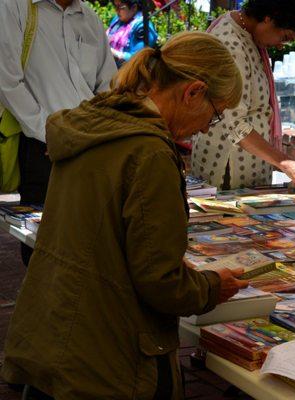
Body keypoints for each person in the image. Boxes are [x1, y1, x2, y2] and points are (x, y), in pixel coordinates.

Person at [1, 31, 248, 399]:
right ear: (193, 91)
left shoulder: (94, 125)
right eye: (214, 115)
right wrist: (213, 286)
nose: (203, 129)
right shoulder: (148, 153)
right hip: (106, 365)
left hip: (54, 341)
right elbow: (161, 282)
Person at [0, 0, 117, 265]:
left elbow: (107, 85)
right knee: (43, 240)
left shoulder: (88, 17)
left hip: (90, 143)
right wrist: (52, 133)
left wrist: (98, 130)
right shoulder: (14, 7)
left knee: (91, 231)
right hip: (43, 145)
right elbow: (7, 82)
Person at [191, 0, 295, 190]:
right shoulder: (231, 44)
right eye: (284, 37)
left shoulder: (247, 34)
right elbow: (234, 124)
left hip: (249, 164)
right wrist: (284, 162)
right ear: (269, 18)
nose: (281, 45)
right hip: (227, 167)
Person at [107, 0, 158, 67]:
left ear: (134, 7)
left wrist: (113, 53)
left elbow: (138, 58)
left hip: (129, 73)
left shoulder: (142, 27)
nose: (117, 10)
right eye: (115, 6)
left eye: (121, 7)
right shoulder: (117, 20)